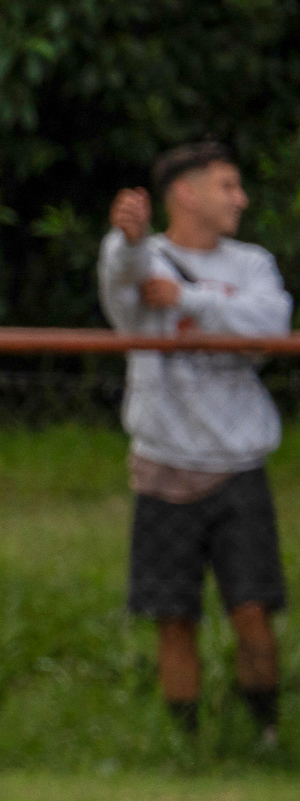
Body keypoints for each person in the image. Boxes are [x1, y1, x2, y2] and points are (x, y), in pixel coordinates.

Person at [99, 141, 294, 742]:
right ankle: (185, 747)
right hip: (162, 466)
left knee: (254, 610)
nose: (242, 198)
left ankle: (266, 736)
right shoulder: (143, 258)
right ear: (185, 194)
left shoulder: (253, 264)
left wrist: (189, 300)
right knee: (172, 617)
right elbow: (122, 281)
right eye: (228, 186)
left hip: (239, 467)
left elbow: (270, 324)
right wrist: (128, 239)